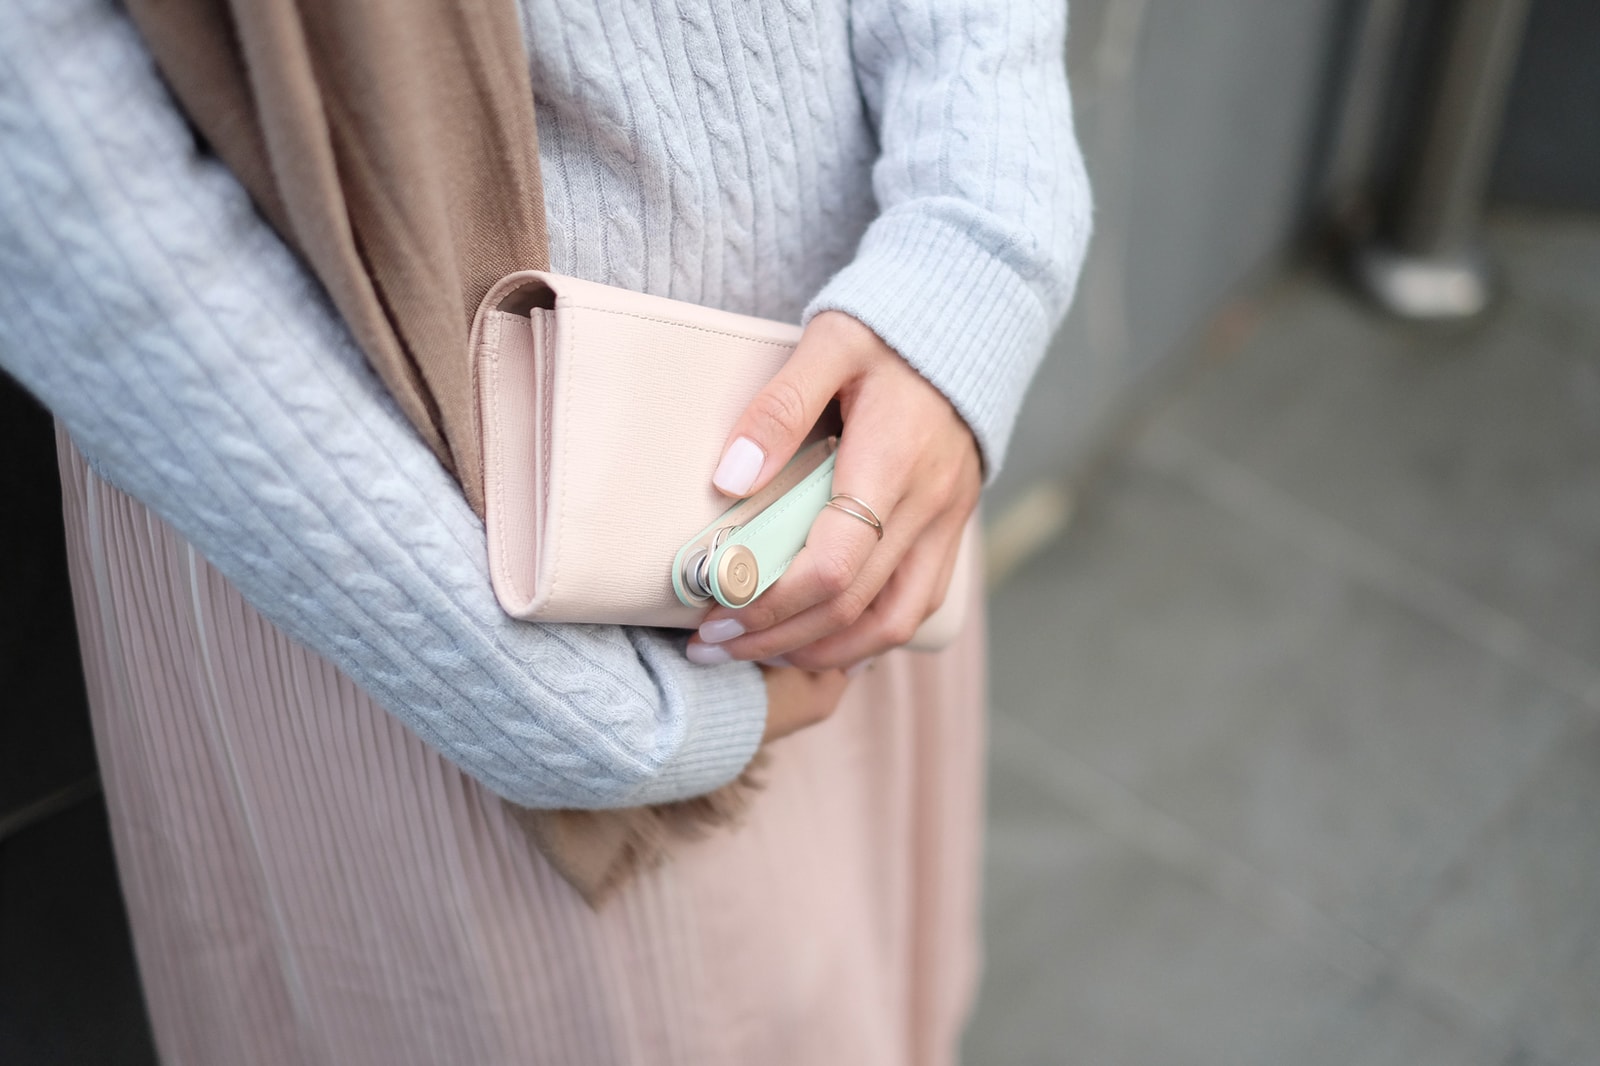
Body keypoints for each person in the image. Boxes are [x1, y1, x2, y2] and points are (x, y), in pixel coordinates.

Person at [0, 0, 1091, 1061]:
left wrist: (981, 236)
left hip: (869, 411)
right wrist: (559, 711)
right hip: (405, 575)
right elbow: (47, 179)